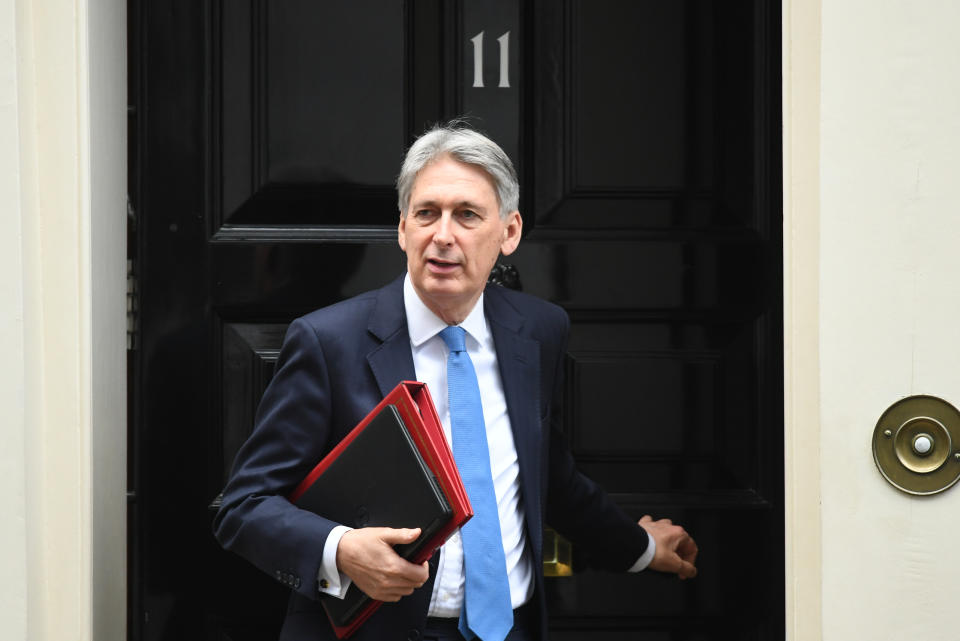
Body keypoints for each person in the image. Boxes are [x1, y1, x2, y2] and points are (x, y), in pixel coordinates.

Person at [213, 123, 698, 641]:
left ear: (509, 233)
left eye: (467, 214)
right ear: (402, 229)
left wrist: (639, 548)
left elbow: (547, 477)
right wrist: (340, 551)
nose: (442, 234)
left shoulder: (538, 330)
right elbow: (245, 506)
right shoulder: (328, 342)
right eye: (427, 213)